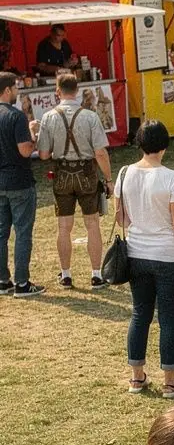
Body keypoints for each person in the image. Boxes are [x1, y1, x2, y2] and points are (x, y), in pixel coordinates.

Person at [113, 119, 174, 398]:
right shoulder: (172, 177)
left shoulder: (124, 173)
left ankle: (137, 377)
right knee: (169, 320)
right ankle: (171, 382)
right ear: (163, 146)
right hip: (169, 256)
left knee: (140, 314)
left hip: (137, 252)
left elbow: (121, 217)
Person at [37, 71, 112, 289]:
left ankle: (66, 274)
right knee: (92, 224)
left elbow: (42, 155)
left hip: (62, 174)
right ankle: (96, 274)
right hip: (86, 174)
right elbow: (100, 153)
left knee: (64, 227)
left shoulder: (49, 117)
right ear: (77, 91)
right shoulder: (90, 117)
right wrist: (108, 179)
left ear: (57, 91)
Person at [0, 71, 42, 298]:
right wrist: (34, 135)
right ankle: (22, 283)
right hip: (19, 181)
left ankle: (2, 280)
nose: (17, 92)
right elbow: (25, 150)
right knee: (23, 232)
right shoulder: (16, 116)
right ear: (7, 90)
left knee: (1, 233)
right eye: (15, 88)